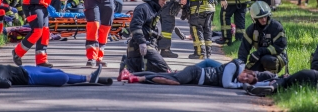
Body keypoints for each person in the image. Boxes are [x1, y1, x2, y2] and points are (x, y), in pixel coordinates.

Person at [117, 59, 273, 88]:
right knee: (171, 80)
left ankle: (131, 74)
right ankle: (136, 77)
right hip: (195, 74)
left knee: (169, 77)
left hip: (195, 75)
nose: (244, 78)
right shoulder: (233, 68)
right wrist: (241, 85)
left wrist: (268, 83)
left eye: (246, 80)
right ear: (246, 71)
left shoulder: (236, 72)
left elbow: (254, 83)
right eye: (246, 75)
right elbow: (227, 84)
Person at [125, 0, 172, 73]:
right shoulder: (143, 8)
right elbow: (135, 26)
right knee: (166, 71)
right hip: (140, 46)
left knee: (158, 72)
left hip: (148, 47)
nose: (165, 3)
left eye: (166, 0)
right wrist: (142, 42)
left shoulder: (154, 11)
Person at [238, 1, 288, 74]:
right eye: (260, 18)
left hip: (277, 57)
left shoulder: (276, 27)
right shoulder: (251, 29)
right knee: (247, 72)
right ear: (255, 18)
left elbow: (280, 47)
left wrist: (260, 51)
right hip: (260, 57)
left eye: (265, 16)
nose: (264, 19)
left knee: (268, 60)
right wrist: (240, 64)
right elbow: (244, 49)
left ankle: (272, 77)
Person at [0, 64, 103, 88]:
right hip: (30, 78)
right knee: (63, 78)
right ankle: (88, 78)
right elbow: (7, 84)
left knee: (59, 71)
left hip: (27, 69)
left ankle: (89, 78)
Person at [245, 69, 318, 96]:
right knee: (285, 84)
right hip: (314, 80)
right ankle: (267, 88)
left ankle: (258, 86)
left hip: (311, 74)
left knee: (285, 82)